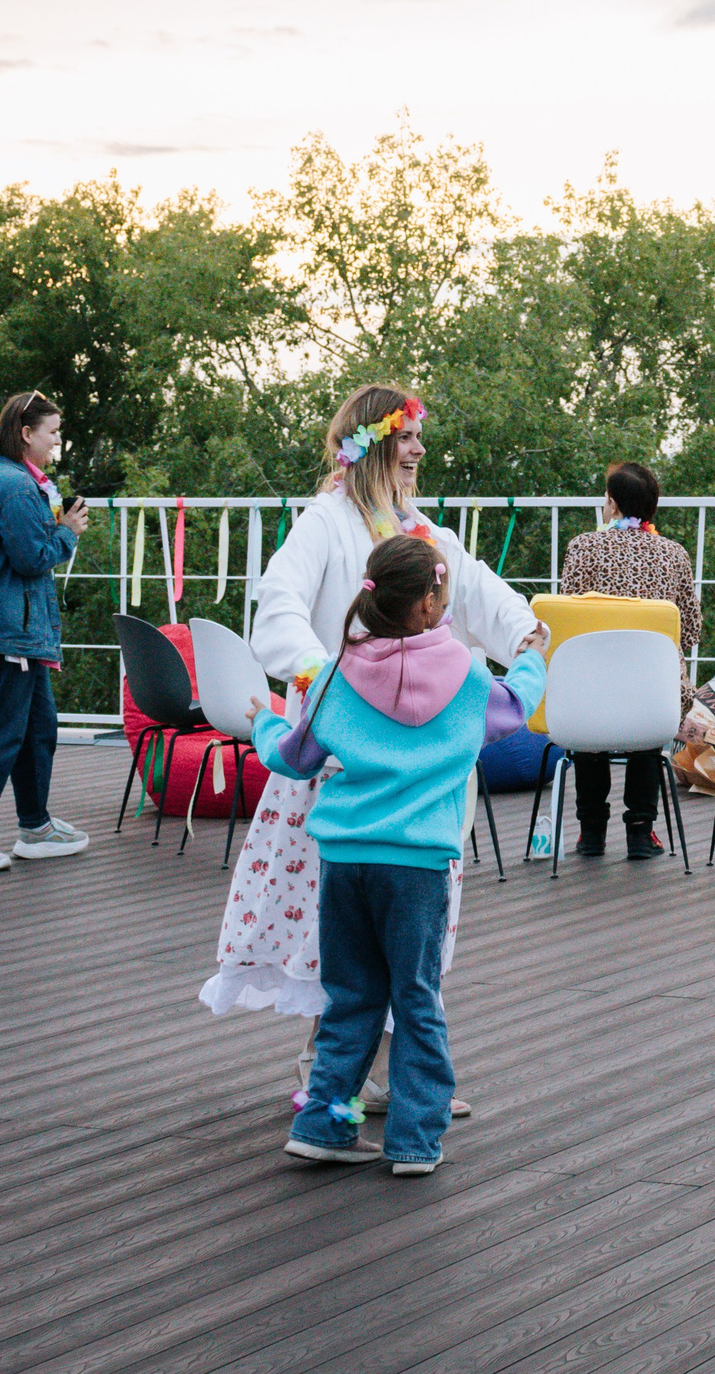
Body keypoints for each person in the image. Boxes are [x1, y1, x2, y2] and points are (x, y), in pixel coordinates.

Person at [200, 383, 547, 1114]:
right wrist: (318, 678)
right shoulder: (325, 522)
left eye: (420, 438)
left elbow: (484, 593)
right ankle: (332, 1072)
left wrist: (523, 633)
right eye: (408, 437)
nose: (419, 450)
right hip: (339, 758)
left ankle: (393, 1074)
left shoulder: (424, 536)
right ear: (373, 444)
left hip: (422, 769)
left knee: (411, 928)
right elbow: (279, 604)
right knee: (341, 927)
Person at [258, 534, 549, 1175]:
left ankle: (323, 1124)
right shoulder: (468, 675)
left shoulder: (336, 674)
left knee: (351, 997)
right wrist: (531, 657)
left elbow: (294, 756)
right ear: (427, 604)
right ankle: (415, 1139)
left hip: (345, 859)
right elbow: (517, 707)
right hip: (417, 864)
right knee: (416, 999)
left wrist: (262, 722)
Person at [0, 391, 96, 873]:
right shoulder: (12, 486)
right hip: (5, 632)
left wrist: (57, 527)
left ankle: (35, 826)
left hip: (22, 633)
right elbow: (31, 557)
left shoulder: (21, 482)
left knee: (36, 732)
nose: (57, 440)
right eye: (51, 431)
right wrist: (68, 530)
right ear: (26, 434)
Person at [557, 460, 702, 859]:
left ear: (614, 505)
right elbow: (689, 632)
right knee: (646, 721)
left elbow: (567, 621)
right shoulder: (674, 555)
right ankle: (641, 831)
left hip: (590, 691)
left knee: (590, 727)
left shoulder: (582, 547)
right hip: (652, 696)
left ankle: (591, 833)